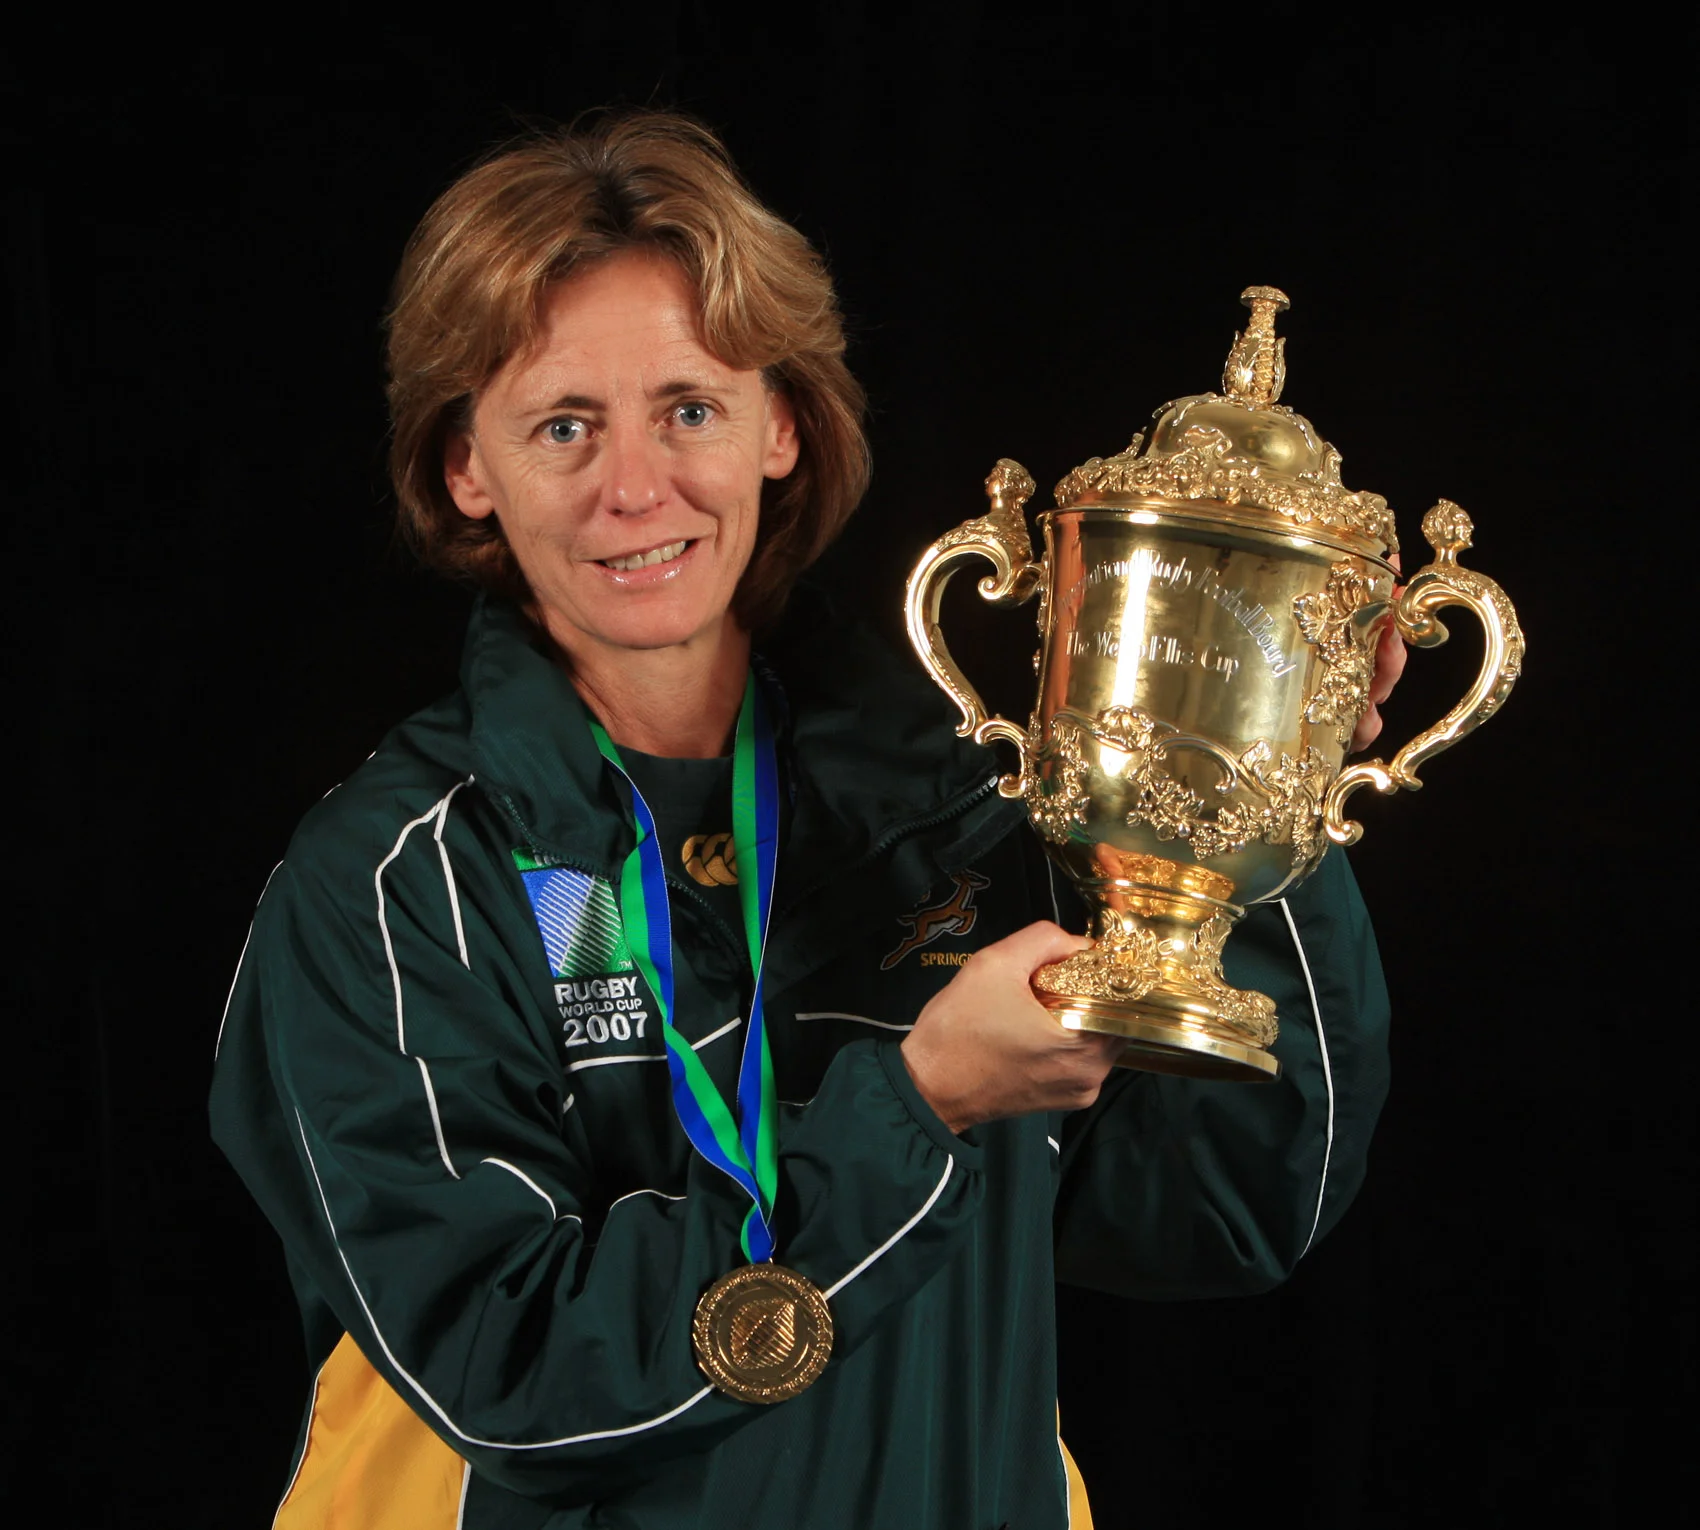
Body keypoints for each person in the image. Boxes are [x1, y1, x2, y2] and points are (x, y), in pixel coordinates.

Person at [211, 111, 1395, 1530]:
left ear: (782, 423)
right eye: (564, 426)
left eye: (689, 408)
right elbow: (511, 1370)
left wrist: (1249, 786)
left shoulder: (954, 798)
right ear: (468, 465)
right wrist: (920, 1107)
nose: (636, 487)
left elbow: (1223, 1210)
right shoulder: (406, 881)